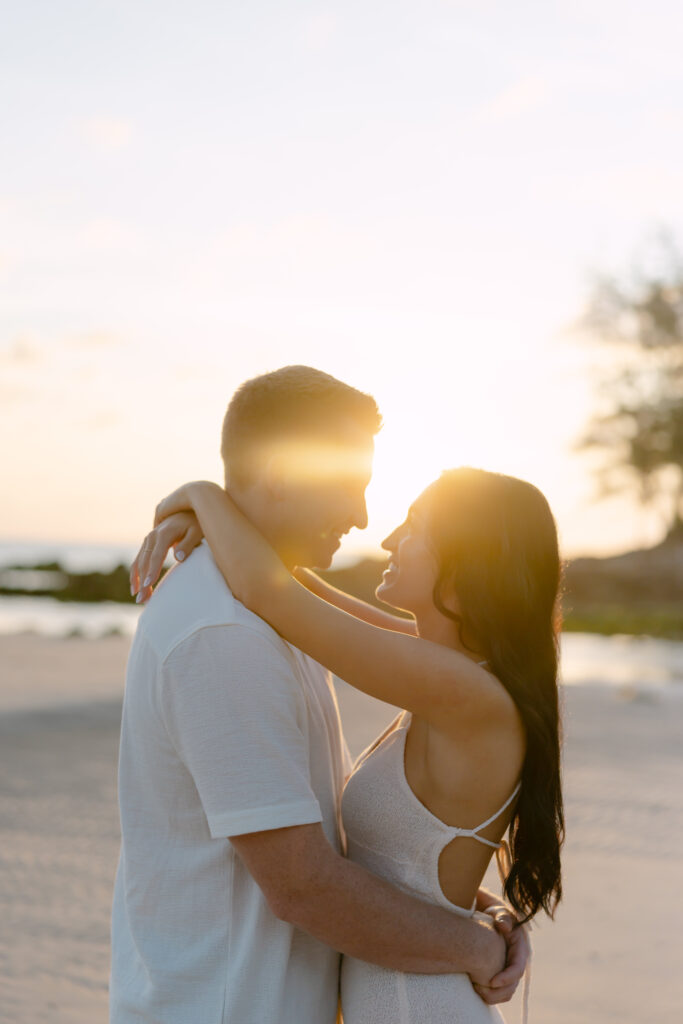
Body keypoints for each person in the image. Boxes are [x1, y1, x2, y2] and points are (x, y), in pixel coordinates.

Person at [113, 365, 528, 1024]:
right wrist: (471, 942)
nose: (367, 521)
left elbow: (334, 859)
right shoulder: (227, 632)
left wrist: (203, 498)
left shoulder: (276, 614)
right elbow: (304, 887)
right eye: (349, 487)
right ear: (282, 472)